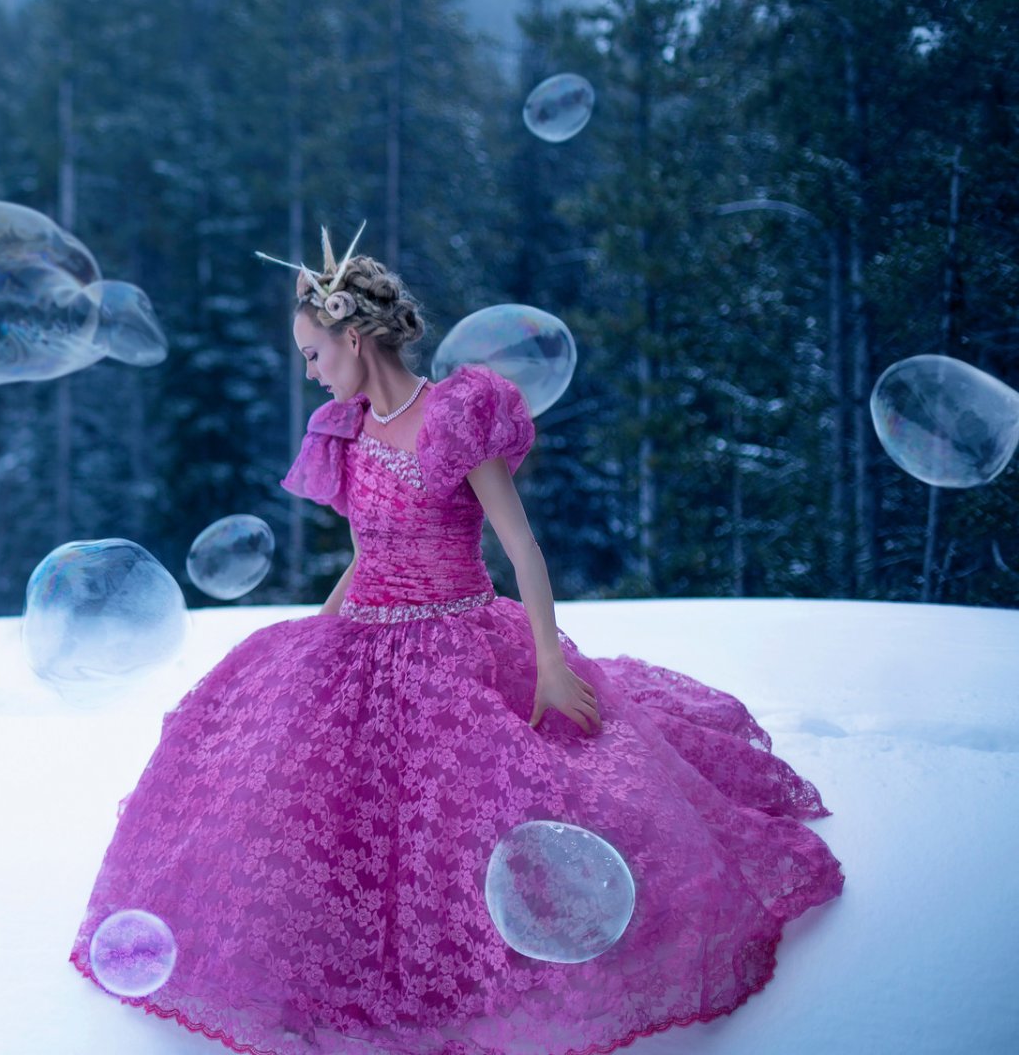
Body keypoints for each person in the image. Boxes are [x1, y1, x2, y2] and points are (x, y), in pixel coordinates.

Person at [68, 231, 845, 1054]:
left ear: (353, 338)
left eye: (312, 353)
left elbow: (522, 549)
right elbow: (368, 555)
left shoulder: (457, 413)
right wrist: (316, 636)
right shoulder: (346, 430)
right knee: (301, 794)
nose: (311, 371)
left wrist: (548, 661)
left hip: (462, 640)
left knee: (487, 805)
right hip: (366, 636)